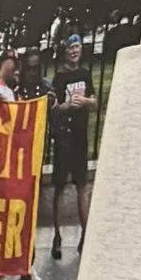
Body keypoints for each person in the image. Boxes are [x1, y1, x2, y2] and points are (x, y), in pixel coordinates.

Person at [45, 30, 99, 262]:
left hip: (80, 137)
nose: (75, 51)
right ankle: (57, 235)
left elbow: (96, 103)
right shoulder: (59, 78)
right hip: (64, 137)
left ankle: (86, 234)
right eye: (71, 48)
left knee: (82, 187)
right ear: (65, 51)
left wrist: (85, 101)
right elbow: (53, 108)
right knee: (59, 186)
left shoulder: (85, 75)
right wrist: (67, 105)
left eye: (77, 47)